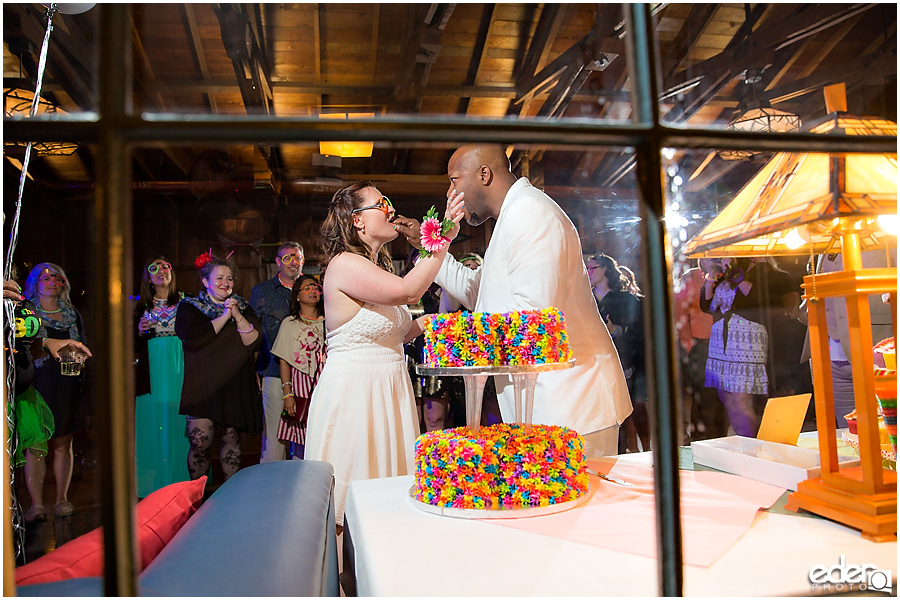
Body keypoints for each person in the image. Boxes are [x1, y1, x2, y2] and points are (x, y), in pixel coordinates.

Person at [393, 144, 632, 457]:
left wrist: (444, 330)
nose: (450, 192)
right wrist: (429, 245)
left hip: (571, 405)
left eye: (454, 180)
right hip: (545, 401)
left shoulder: (530, 213)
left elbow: (532, 316)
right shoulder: (512, 215)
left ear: (484, 174)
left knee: (585, 506)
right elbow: (478, 292)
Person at [305, 180, 464, 528]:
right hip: (357, 396)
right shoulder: (344, 263)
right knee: (356, 505)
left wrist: (444, 323)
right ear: (357, 220)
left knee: (389, 503)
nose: (391, 210)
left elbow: (400, 331)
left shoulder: (378, 268)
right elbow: (409, 291)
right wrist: (444, 234)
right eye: (382, 203)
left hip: (390, 392)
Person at [5, 278, 92, 517]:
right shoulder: (23, 306)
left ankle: (60, 500)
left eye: (57, 277)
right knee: (33, 446)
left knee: (63, 443)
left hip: (63, 385)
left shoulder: (26, 307)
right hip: (37, 383)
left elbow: (18, 343)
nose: (52, 281)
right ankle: (36, 505)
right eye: (45, 277)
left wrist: (46, 342)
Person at [176, 253, 263, 483]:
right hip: (202, 384)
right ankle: (197, 496)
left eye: (230, 278)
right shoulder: (189, 307)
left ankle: (229, 495)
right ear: (205, 282)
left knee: (232, 439)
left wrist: (236, 313)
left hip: (234, 383)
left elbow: (253, 341)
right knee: (200, 441)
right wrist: (225, 316)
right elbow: (195, 338)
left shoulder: (242, 306)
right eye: (219, 278)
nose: (226, 283)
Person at [134, 255, 190, 497]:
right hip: (154, 367)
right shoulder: (140, 306)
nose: (161, 271)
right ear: (148, 278)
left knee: (180, 419)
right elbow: (129, 342)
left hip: (180, 363)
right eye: (154, 268)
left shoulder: (185, 301)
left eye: (166, 266)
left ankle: (183, 477)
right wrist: (138, 331)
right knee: (156, 421)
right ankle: (156, 481)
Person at [586, 253, 648, 453]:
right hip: (595, 362)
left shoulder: (625, 299)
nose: (588, 273)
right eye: (586, 269)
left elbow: (637, 331)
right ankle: (620, 453)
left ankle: (643, 451)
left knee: (632, 409)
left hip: (625, 361)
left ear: (605, 269)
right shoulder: (586, 300)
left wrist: (615, 330)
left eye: (592, 268)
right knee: (611, 413)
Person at [700, 257, 768, 437]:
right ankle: (743, 439)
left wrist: (734, 273)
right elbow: (706, 305)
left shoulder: (758, 271)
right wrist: (711, 276)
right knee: (727, 397)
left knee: (740, 397)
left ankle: (752, 444)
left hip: (745, 339)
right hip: (720, 340)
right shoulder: (719, 277)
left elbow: (757, 297)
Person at [250, 241, 305, 463]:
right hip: (273, 370)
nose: (293, 262)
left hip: (308, 374)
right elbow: (253, 334)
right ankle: (271, 492)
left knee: (304, 437)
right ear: (277, 262)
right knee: (274, 439)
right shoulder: (262, 291)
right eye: (288, 258)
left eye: (297, 257)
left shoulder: (313, 289)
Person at [270, 275, 326, 459]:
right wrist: (288, 394)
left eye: (316, 287)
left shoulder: (330, 322)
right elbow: (284, 360)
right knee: (302, 441)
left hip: (326, 385)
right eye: (307, 288)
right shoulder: (290, 324)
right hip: (302, 386)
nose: (313, 291)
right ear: (297, 296)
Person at [673, 259, 729, 441]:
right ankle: (702, 439)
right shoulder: (691, 277)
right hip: (701, 345)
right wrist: (688, 342)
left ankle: (721, 436)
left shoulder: (727, 274)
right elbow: (680, 310)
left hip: (726, 344)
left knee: (724, 395)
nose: (711, 259)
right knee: (705, 395)